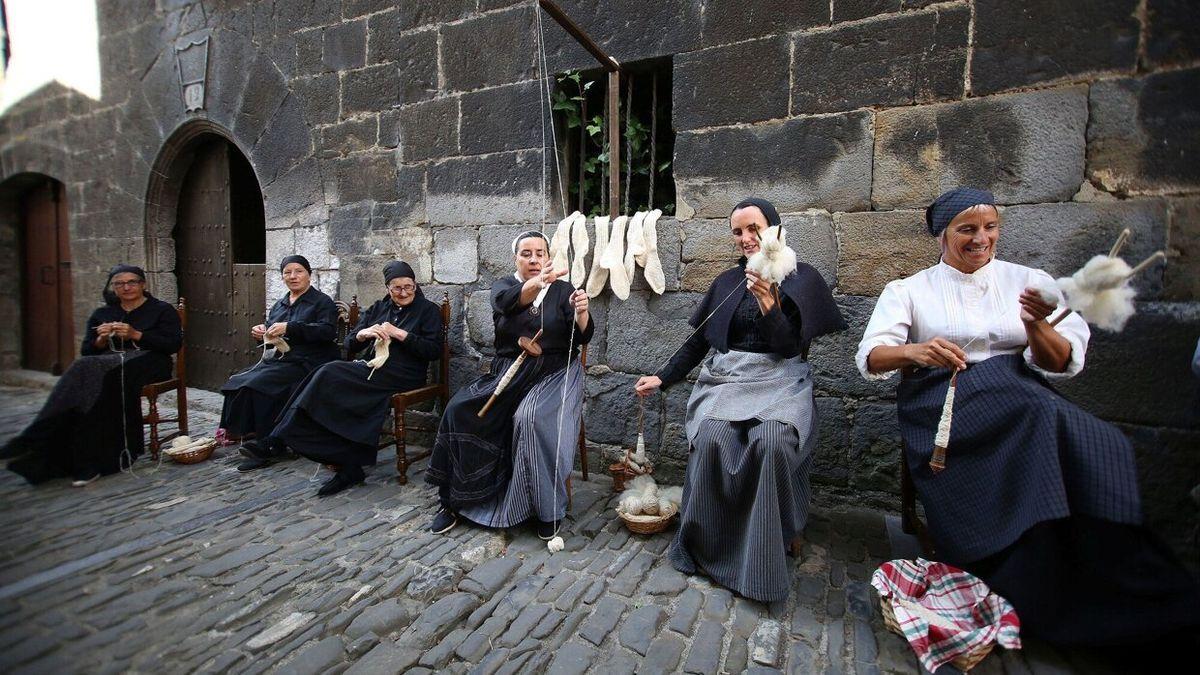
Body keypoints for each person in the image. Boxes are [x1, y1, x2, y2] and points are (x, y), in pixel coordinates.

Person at [856, 186, 1199, 646]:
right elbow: (872, 356)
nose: (982, 238)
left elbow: (1060, 361)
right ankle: (1025, 565)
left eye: (990, 227)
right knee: (1037, 417)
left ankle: (1100, 555)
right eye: (967, 229)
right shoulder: (910, 290)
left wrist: (1036, 324)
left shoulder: (1028, 280)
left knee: (1102, 441)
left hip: (1018, 393)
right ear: (942, 235)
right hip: (943, 402)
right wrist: (918, 350)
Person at [634, 198, 846, 603]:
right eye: (738, 231)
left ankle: (771, 539)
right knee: (712, 436)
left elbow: (789, 348)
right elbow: (699, 341)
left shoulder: (802, 279)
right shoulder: (727, 282)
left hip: (782, 380)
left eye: (755, 229)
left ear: (776, 230)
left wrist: (770, 305)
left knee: (773, 442)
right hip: (729, 379)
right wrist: (663, 377)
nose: (747, 238)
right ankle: (712, 544)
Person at [426, 230, 593, 537]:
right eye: (526, 253)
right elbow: (507, 302)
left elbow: (582, 336)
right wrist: (538, 282)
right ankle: (451, 501)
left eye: (540, 253)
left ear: (548, 257)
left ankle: (546, 509)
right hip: (509, 372)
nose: (533, 259)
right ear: (515, 257)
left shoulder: (564, 289)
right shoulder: (503, 286)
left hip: (555, 373)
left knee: (530, 419)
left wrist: (582, 312)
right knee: (458, 409)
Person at [2, 265, 182, 485]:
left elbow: (172, 344)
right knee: (87, 377)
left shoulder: (161, 309)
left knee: (98, 379)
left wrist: (136, 334)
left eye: (131, 282)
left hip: (151, 363)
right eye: (119, 283)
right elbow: (87, 351)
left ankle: (42, 440)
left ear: (143, 284)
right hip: (105, 364)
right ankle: (75, 457)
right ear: (113, 288)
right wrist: (101, 340)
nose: (126, 287)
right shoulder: (103, 314)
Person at [273, 261, 442, 496]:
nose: (403, 293)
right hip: (372, 369)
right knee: (328, 376)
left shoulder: (428, 310)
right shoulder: (378, 308)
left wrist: (400, 334)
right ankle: (333, 454)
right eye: (396, 288)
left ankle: (347, 463)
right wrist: (363, 333)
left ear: (415, 285)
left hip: (405, 375)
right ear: (387, 288)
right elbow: (350, 343)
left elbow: (433, 350)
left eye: (409, 287)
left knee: (330, 373)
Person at [221, 255, 338, 470]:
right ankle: (252, 436)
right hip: (285, 360)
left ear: (309, 275)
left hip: (312, 361)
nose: (293, 276)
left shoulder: (322, 302)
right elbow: (271, 331)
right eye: (287, 272)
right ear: (282, 277)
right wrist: (261, 332)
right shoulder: (281, 304)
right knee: (238, 379)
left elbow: (328, 332)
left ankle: (271, 445)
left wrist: (291, 327)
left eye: (299, 271)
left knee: (260, 384)